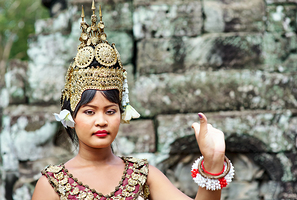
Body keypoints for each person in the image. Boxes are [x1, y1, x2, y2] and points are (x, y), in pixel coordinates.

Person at [32, 1, 234, 200]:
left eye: (110, 111)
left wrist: (213, 162)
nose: (101, 121)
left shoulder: (143, 176)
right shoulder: (52, 184)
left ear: (122, 113)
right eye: (89, 111)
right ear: (70, 117)